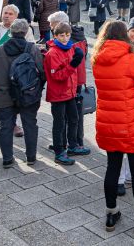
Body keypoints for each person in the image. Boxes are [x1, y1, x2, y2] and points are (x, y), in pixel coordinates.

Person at [90, 20, 134, 236]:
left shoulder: (97, 59)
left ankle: (111, 214)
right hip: (130, 122)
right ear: (124, 36)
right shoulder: (130, 58)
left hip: (108, 121)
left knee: (112, 167)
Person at [0, 18, 44, 168]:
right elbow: (42, 72)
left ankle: (7, 158)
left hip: (4, 95)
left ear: (11, 32)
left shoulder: (0, 50)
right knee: (30, 125)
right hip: (28, 95)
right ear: (26, 32)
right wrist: (36, 89)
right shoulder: (32, 49)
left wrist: (0, 88)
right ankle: (31, 157)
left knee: (6, 127)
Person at [0, 4, 34, 144]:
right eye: (5, 13)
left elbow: (31, 47)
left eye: (10, 14)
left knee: (14, 99)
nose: (7, 15)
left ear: (16, 16)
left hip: (15, 73)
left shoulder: (25, 30)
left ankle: (15, 124)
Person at [44, 22, 86, 166]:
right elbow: (57, 76)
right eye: (61, 35)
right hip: (58, 94)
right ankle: (59, 151)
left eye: (67, 35)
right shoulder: (52, 53)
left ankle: (72, 146)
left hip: (70, 92)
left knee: (74, 119)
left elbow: (73, 74)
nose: (65, 38)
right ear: (55, 36)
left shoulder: (70, 47)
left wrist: (80, 55)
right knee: (59, 123)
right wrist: (73, 64)